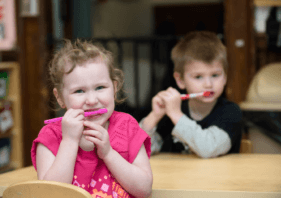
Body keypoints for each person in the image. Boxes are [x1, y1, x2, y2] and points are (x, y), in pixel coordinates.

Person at [31, 39, 153, 198]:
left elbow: (144, 189)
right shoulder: (51, 136)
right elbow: (49, 195)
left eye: (100, 88)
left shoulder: (127, 126)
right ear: (60, 97)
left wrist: (109, 154)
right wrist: (69, 141)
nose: (91, 100)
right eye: (79, 91)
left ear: (114, 89)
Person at [140, 31, 242, 158]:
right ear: (180, 81)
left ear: (225, 77)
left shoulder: (231, 112)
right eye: (198, 77)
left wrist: (176, 115)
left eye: (215, 75)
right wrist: (154, 116)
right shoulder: (174, 110)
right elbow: (140, 151)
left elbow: (208, 148)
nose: (208, 84)